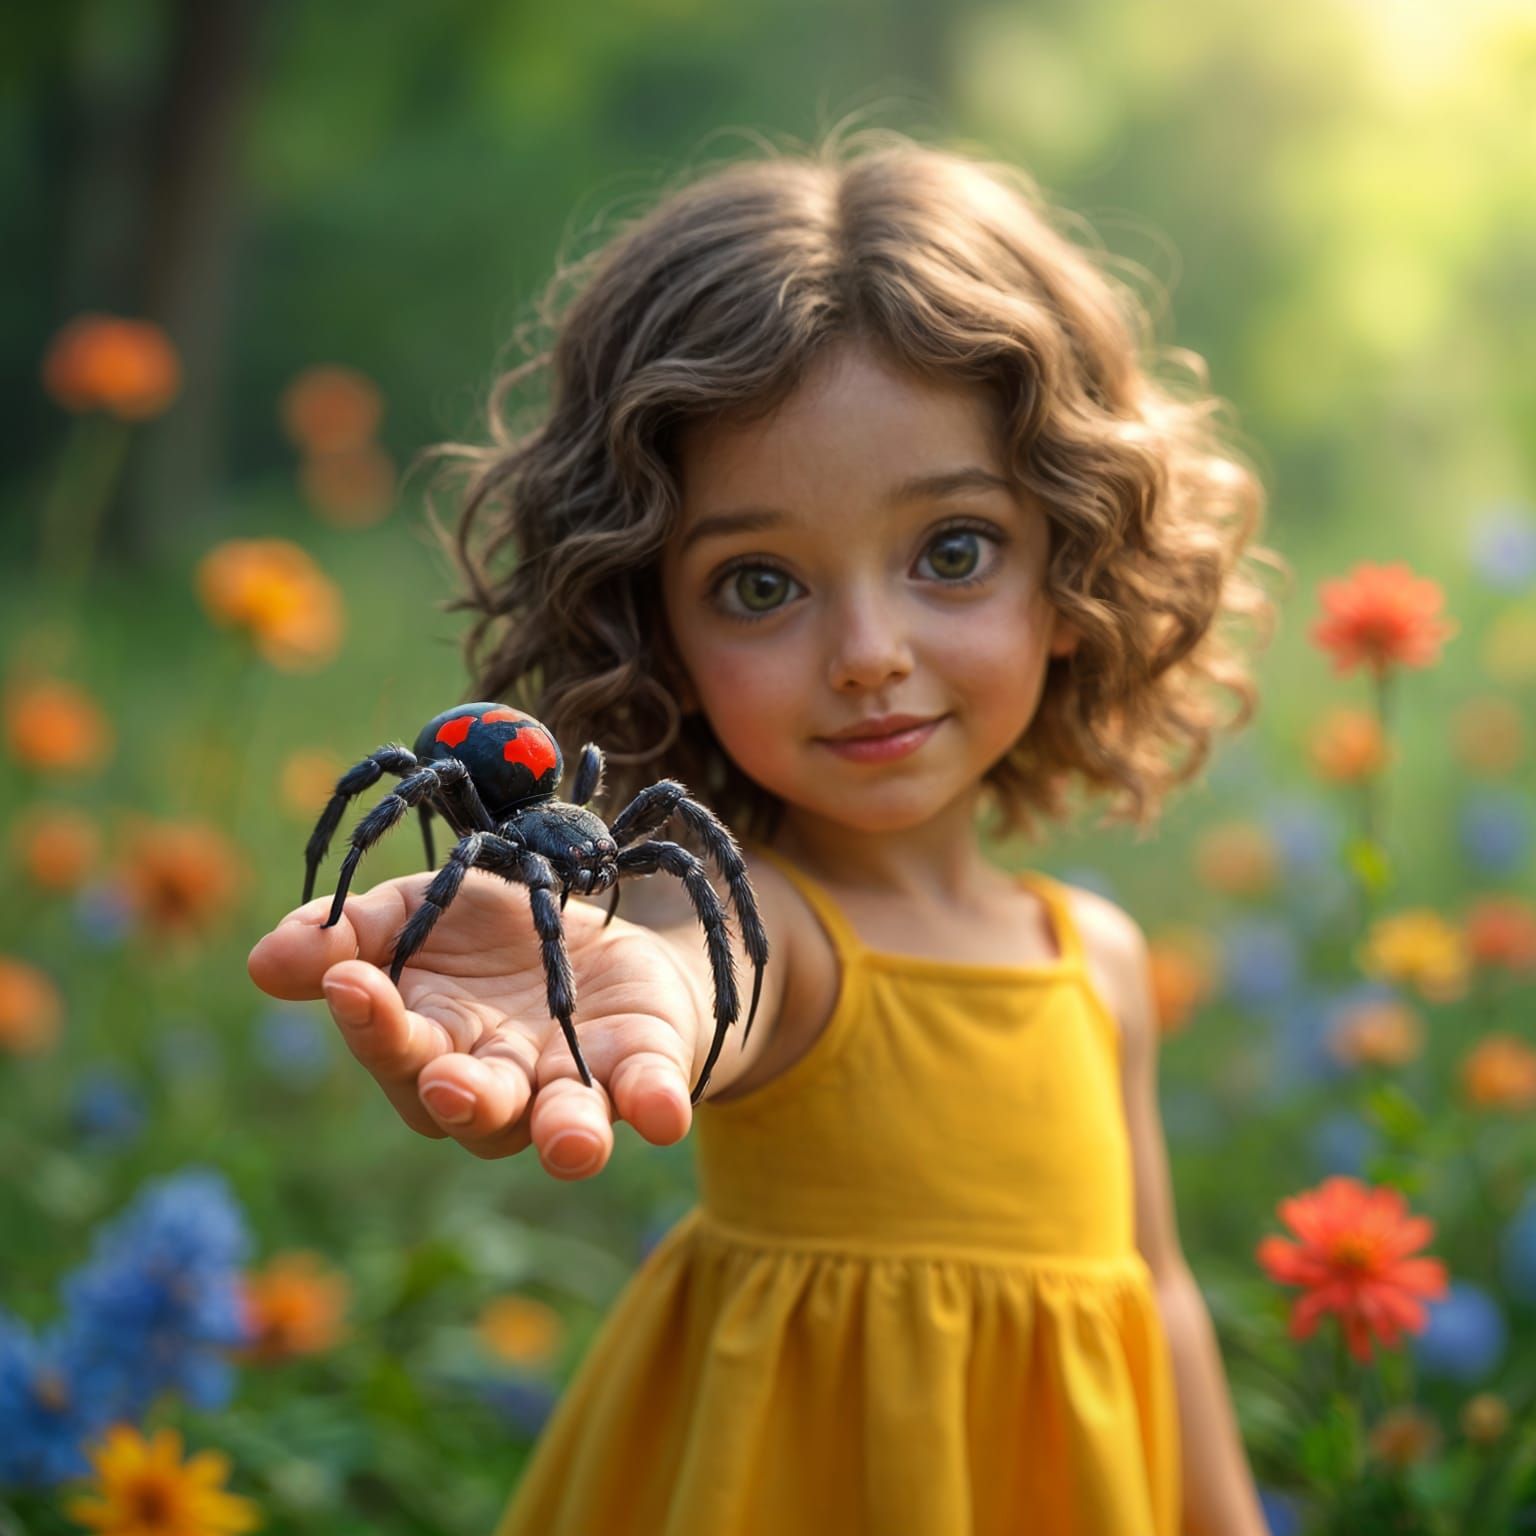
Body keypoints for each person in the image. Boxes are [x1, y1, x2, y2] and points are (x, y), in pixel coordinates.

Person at [249, 125, 1285, 1535]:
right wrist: (631, 989)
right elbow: (695, 967)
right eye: (757, 585)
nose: (867, 651)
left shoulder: (1095, 959)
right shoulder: (777, 930)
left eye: (952, 551)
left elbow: (1155, 1296)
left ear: (1076, 555)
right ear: (651, 626)